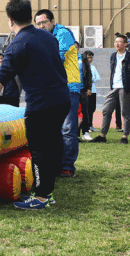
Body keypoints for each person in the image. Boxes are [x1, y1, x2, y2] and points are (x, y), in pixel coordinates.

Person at [0, 0, 70, 210]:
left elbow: (0, 79)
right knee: (52, 145)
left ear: (10, 21)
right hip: (62, 99)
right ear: (30, 16)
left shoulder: (17, 45)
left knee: (38, 150)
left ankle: (42, 197)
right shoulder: (48, 37)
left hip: (41, 104)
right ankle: (47, 192)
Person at [34, 9, 81, 178]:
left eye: (44, 22)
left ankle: (67, 166)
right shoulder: (42, 38)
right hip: (52, 88)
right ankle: (56, 164)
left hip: (68, 87)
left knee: (67, 129)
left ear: (52, 21)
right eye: (38, 24)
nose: (41, 26)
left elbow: (58, 57)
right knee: (53, 130)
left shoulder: (63, 34)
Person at [91, 35, 130, 144]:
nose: (117, 44)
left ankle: (125, 136)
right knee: (106, 110)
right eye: (115, 42)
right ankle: (102, 135)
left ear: (125, 44)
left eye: (120, 42)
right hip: (114, 87)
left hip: (125, 87)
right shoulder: (113, 56)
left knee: (125, 112)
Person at [85, 51, 101, 132]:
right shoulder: (82, 67)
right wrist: (91, 79)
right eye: (88, 57)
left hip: (93, 90)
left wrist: (91, 79)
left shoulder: (93, 67)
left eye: (91, 57)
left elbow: (98, 78)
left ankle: (90, 125)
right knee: (86, 109)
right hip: (86, 91)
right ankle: (86, 126)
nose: (90, 59)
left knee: (92, 108)